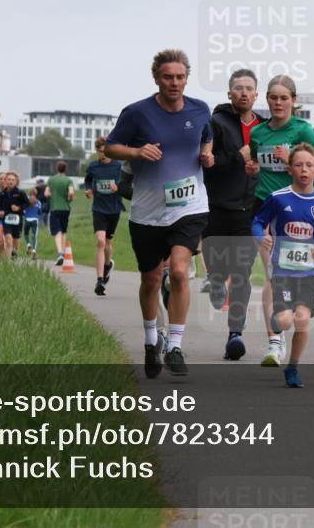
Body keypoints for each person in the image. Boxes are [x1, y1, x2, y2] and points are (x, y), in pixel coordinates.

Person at [104, 48, 214, 378]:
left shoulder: (200, 109)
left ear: (186, 79)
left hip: (191, 206)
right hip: (148, 211)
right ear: (156, 78)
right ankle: (152, 341)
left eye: (180, 77)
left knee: (180, 271)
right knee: (151, 279)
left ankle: (176, 345)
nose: (174, 83)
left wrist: (207, 155)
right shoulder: (137, 113)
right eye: (168, 77)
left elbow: (205, 140)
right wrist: (137, 151)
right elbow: (110, 147)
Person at [245, 74, 314, 366]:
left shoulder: (304, 131)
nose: (278, 103)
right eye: (273, 97)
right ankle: (274, 342)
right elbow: (258, 164)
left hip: (301, 211)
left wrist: (289, 161)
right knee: (272, 274)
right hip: (268, 208)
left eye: (284, 98)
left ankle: (292, 317)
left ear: (294, 101)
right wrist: (252, 167)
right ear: (266, 99)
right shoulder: (258, 134)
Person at [252, 143, 314, 388]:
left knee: (302, 320)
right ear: (289, 169)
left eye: (309, 165)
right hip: (282, 270)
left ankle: (292, 367)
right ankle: (278, 324)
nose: (304, 170)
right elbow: (258, 222)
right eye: (299, 165)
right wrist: (261, 237)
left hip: (310, 271)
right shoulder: (278, 199)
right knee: (286, 321)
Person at [202, 68, 267, 360]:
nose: (243, 92)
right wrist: (236, 158)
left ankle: (235, 335)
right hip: (217, 207)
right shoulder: (215, 123)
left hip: (249, 209)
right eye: (237, 88)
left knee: (241, 272)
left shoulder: (265, 129)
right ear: (229, 94)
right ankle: (215, 279)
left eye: (248, 88)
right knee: (220, 268)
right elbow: (206, 164)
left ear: (256, 94)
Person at [85, 136, 125, 296]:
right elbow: (88, 180)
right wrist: (88, 190)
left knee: (108, 243)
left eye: (106, 151)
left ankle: (108, 265)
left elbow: (127, 185)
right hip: (99, 209)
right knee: (100, 242)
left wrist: (118, 188)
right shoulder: (93, 166)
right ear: (97, 151)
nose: (103, 154)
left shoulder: (118, 167)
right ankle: (100, 280)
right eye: (100, 151)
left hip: (114, 209)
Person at [45, 161, 75, 266]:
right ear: (65, 169)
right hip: (66, 208)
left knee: (57, 231)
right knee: (63, 231)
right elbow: (71, 192)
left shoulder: (51, 180)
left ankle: (60, 254)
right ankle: (63, 253)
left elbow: (46, 193)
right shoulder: (68, 180)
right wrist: (69, 199)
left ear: (57, 168)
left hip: (55, 208)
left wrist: (53, 194)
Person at [0, 171, 29, 260]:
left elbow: (27, 204)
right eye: (9, 179)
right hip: (6, 220)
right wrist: (0, 211)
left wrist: (18, 208)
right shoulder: (2, 193)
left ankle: (15, 252)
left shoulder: (20, 193)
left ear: (16, 181)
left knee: (16, 241)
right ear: (5, 181)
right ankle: (8, 263)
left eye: (13, 180)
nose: (10, 181)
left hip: (18, 220)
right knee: (8, 239)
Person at [24, 191, 41, 259]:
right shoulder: (38, 202)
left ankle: (28, 244)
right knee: (34, 236)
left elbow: (23, 211)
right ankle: (34, 251)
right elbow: (40, 212)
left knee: (26, 234)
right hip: (35, 220)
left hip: (27, 220)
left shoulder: (26, 201)